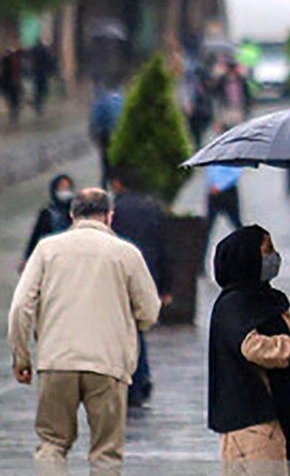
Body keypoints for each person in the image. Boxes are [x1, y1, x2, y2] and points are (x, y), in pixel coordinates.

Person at [7, 188, 160, 474]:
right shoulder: (126, 254)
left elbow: (19, 307)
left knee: (52, 443)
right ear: (109, 216)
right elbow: (149, 312)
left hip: (56, 360)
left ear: (72, 214)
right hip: (108, 363)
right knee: (106, 454)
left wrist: (22, 357)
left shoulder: (46, 250)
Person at [208, 226, 290, 474]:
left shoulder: (272, 300)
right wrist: (289, 346)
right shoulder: (232, 305)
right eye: (267, 250)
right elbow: (252, 347)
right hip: (251, 427)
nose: (274, 257)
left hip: (284, 422)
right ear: (247, 258)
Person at [110, 166, 172, 408]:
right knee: (137, 326)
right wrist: (166, 285)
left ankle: (132, 378)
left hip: (120, 276)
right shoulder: (151, 207)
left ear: (116, 183)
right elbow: (164, 246)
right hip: (149, 274)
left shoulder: (113, 211)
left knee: (124, 328)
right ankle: (140, 377)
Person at [22, 174, 75, 271]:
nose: (65, 191)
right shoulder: (47, 213)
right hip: (54, 258)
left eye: (67, 188)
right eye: (62, 188)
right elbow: (36, 235)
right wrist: (27, 258)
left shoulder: (77, 210)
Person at [89, 88, 123, 189]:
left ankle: (104, 188)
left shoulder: (100, 102)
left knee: (106, 167)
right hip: (119, 136)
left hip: (105, 137)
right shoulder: (121, 100)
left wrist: (95, 138)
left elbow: (94, 123)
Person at [207, 159, 245, 246]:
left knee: (236, 221)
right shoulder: (212, 157)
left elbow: (235, 173)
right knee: (208, 224)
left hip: (228, 191)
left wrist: (219, 186)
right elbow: (210, 172)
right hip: (213, 192)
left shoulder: (232, 157)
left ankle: (246, 246)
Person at [31, 39, 55, 117]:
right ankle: (38, 105)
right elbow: (49, 62)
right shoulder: (45, 51)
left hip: (37, 73)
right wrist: (50, 72)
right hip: (42, 73)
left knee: (38, 90)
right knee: (42, 90)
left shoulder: (34, 51)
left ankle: (37, 104)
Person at [2, 46, 22, 125]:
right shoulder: (7, 61)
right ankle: (13, 116)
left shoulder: (15, 61)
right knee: (13, 101)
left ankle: (14, 116)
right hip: (11, 84)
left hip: (13, 84)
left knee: (14, 101)